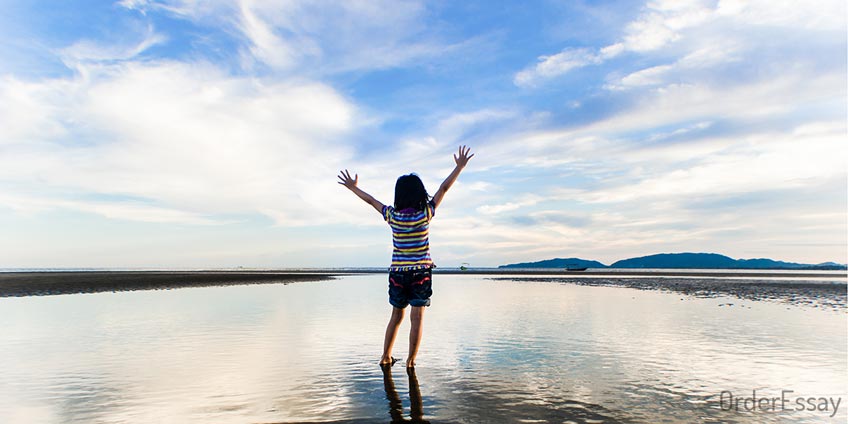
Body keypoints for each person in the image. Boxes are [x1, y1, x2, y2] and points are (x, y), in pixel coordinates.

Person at [337, 145, 474, 368]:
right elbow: (444, 188)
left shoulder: (392, 216)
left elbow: (371, 200)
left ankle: (385, 356)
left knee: (396, 317)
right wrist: (458, 167)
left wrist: (353, 188)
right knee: (417, 318)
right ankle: (411, 361)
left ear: (398, 195)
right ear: (420, 193)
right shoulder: (425, 213)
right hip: (420, 273)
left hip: (398, 274)